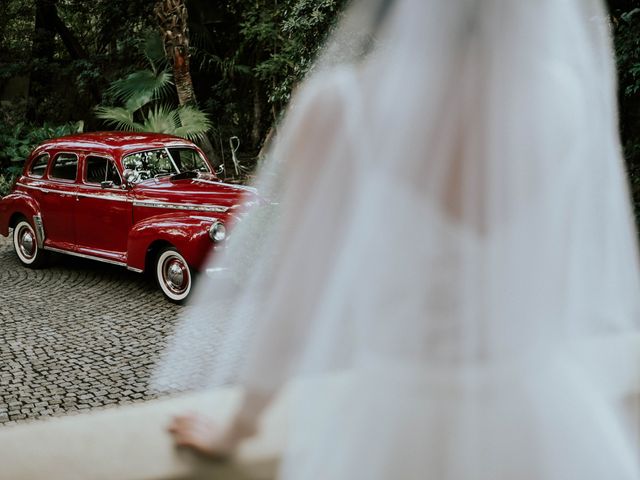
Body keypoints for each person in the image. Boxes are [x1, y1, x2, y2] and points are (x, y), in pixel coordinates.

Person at [155, 0, 640, 478]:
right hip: (542, 417)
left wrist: (238, 429)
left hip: (397, 423)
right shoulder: (566, 96)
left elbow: (296, 302)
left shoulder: (342, 108)